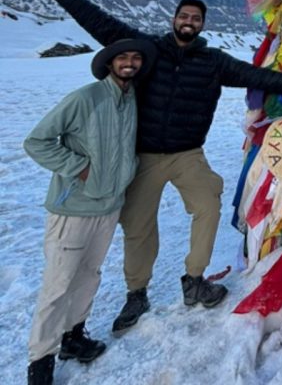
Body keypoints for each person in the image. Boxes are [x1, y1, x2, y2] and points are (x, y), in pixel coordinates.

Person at [20, 0, 282, 337]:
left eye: (195, 19)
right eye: (183, 17)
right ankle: (137, 293)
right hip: (145, 155)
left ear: (202, 25)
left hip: (188, 155)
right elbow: (99, 22)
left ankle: (195, 279)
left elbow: (254, 75)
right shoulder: (147, 51)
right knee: (138, 226)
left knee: (207, 203)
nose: (188, 22)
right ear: (174, 20)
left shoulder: (214, 61)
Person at [24, 39, 156, 385]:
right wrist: (77, 167)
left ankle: (73, 336)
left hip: (109, 207)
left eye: (135, 58)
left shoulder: (130, 101)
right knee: (57, 285)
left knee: (89, 275)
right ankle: (40, 360)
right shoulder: (85, 98)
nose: (129, 63)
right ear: (109, 63)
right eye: (122, 58)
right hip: (74, 209)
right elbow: (36, 141)